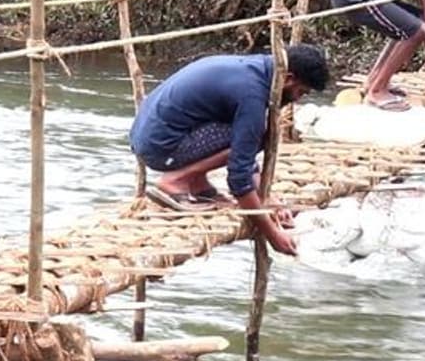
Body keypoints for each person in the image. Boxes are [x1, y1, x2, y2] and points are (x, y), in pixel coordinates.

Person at [128, 43, 329, 257]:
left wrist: (269, 199)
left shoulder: (256, 69)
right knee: (261, 134)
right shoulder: (252, 94)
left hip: (151, 136)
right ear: (288, 78)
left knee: (252, 134)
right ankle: (175, 181)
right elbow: (239, 178)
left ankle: (197, 182)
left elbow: (244, 150)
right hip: (161, 146)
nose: (297, 99)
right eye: (301, 92)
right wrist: (272, 235)